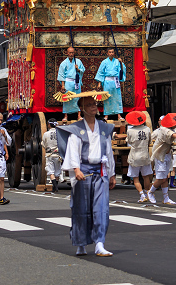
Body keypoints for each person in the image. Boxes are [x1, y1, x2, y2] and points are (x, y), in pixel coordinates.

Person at [57, 94, 115, 257]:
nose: (94, 107)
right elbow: (73, 151)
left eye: (95, 104)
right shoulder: (76, 129)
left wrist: (111, 173)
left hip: (101, 171)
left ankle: (99, 243)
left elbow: (109, 152)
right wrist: (76, 169)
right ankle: (81, 243)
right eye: (89, 105)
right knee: (81, 209)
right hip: (83, 171)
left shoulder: (104, 127)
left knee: (101, 208)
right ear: (82, 109)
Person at [149, 113, 176, 206]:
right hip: (160, 155)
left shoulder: (172, 129)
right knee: (161, 178)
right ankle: (150, 192)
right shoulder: (163, 129)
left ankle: (166, 198)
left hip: (167, 155)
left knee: (165, 177)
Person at [126, 111, 152, 203]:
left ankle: (142, 195)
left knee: (135, 178)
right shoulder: (147, 129)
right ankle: (148, 193)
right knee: (146, 176)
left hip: (134, 155)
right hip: (144, 155)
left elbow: (128, 141)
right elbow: (149, 141)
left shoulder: (130, 130)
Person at [94, 47, 126, 120]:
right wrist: (99, 84)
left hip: (115, 81)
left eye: (112, 52)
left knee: (117, 97)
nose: (111, 53)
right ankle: (106, 115)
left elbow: (122, 70)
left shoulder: (117, 61)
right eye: (110, 52)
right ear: (107, 53)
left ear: (114, 53)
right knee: (107, 98)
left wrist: (121, 62)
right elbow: (100, 73)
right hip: (107, 81)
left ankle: (119, 115)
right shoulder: (104, 62)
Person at [57, 47, 86, 120]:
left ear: (74, 53)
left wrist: (78, 69)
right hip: (68, 83)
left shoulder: (78, 61)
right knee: (67, 99)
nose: (71, 54)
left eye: (72, 52)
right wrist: (63, 85)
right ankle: (66, 116)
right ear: (67, 53)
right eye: (70, 53)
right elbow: (61, 75)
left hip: (76, 82)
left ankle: (79, 115)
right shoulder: (64, 63)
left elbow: (83, 69)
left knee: (77, 98)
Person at [42, 120, 62, 193]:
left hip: (49, 154)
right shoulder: (59, 133)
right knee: (57, 171)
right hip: (57, 154)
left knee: (51, 172)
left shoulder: (46, 134)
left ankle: (55, 187)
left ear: (49, 125)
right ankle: (55, 187)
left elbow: (43, 144)